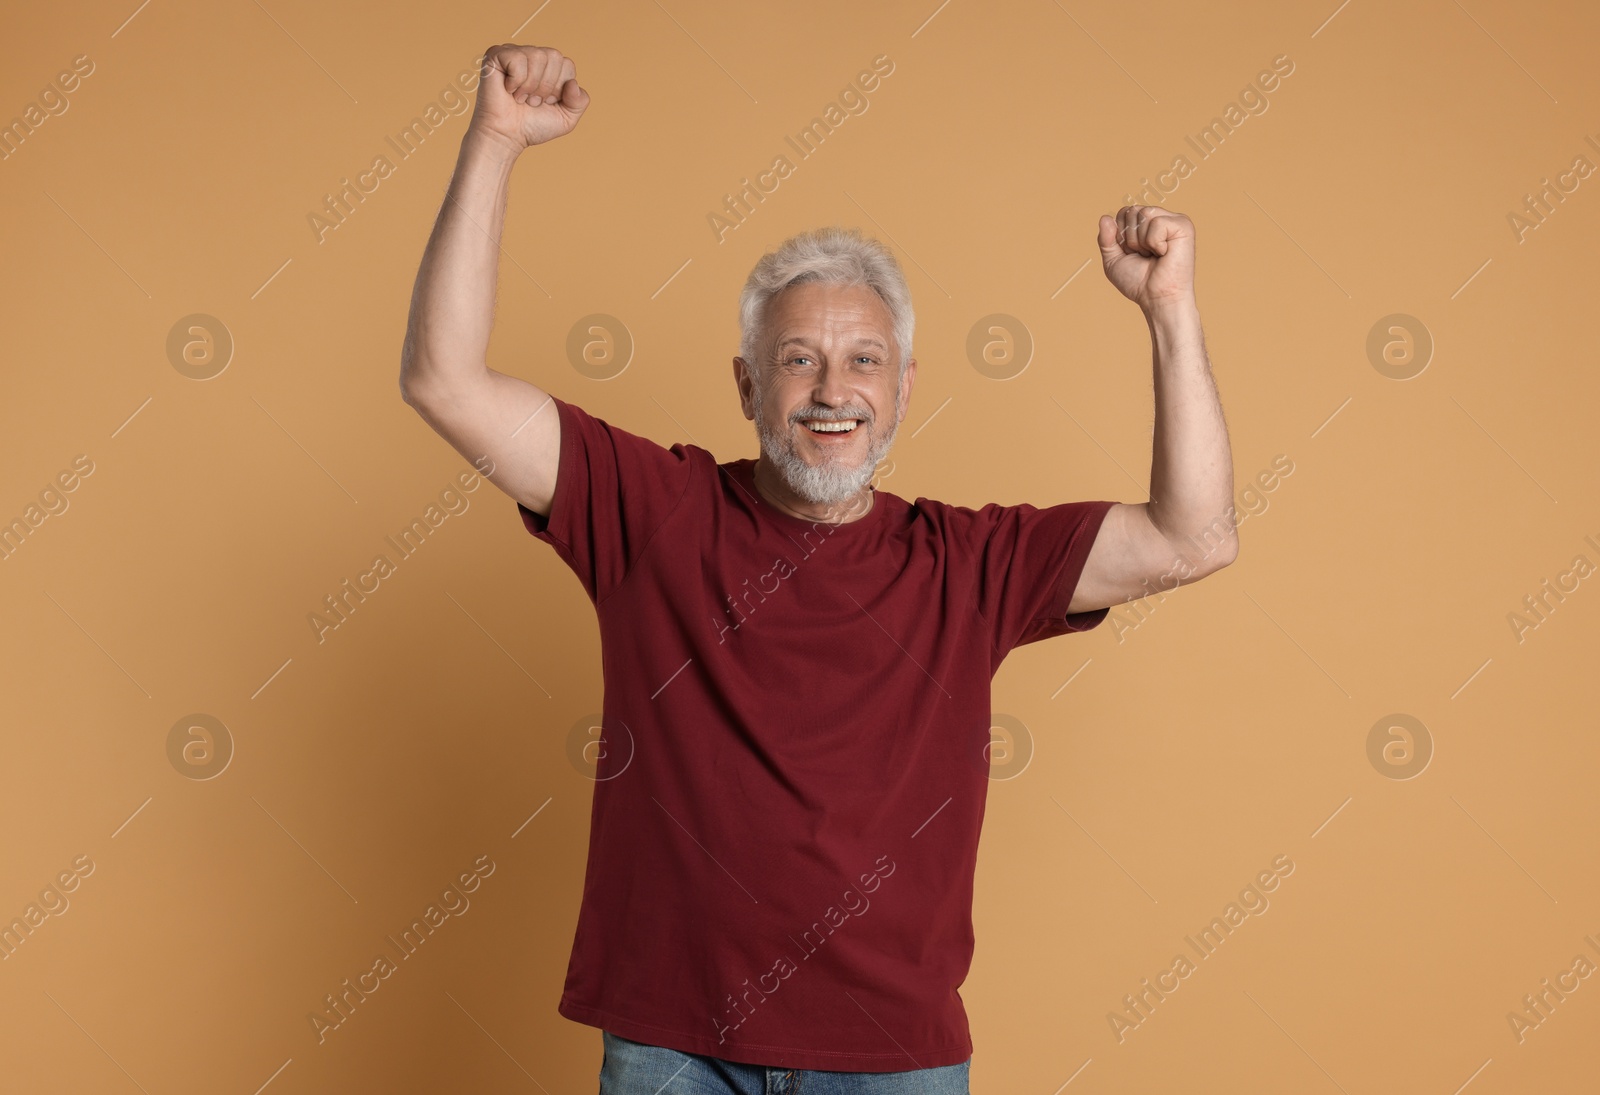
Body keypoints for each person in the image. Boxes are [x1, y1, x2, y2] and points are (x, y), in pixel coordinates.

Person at [399, 43, 1238, 1095]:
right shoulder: (656, 512)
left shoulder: (967, 563)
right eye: (798, 359)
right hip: (673, 1046)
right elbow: (442, 378)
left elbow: (1193, 537)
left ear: (904, 388)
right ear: (748, 383)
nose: (831, 390)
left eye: (863, 361)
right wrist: (493, 142)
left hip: (890, 1057)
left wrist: (1170, 310)